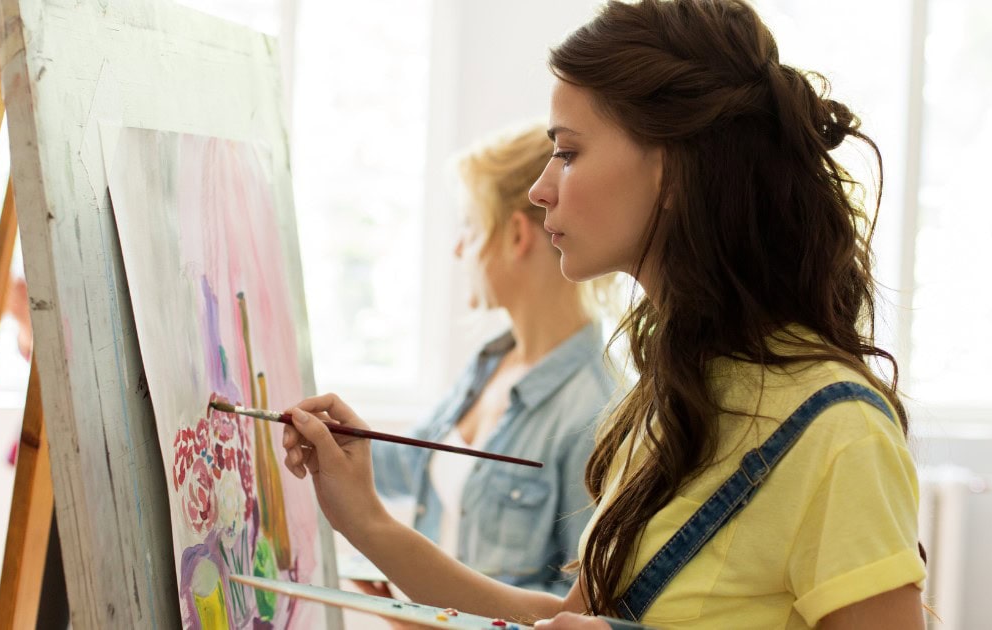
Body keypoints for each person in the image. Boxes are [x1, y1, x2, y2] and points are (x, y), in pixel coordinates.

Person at [282, 1, 926, 628]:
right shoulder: (667, 401)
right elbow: (570, 619)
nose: (540, 189)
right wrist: (363, 519)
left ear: (670, 170)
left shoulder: (841, 431)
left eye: (567, 151)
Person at [358, 122, 616, 597]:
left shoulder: (597, 413)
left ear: (517, 235)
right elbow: (416, 461)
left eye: (470, 226)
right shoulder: (489, 363)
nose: (459, 248)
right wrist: (328, 432)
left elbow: (584, 608)